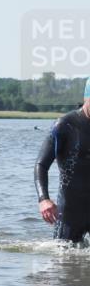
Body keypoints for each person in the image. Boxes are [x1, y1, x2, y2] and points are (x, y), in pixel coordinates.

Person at [34, 77, 90, 245]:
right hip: (70, 215)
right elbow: (41, 165)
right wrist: (44, 199)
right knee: (64, 267)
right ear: (86, 97)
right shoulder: (65, 125)